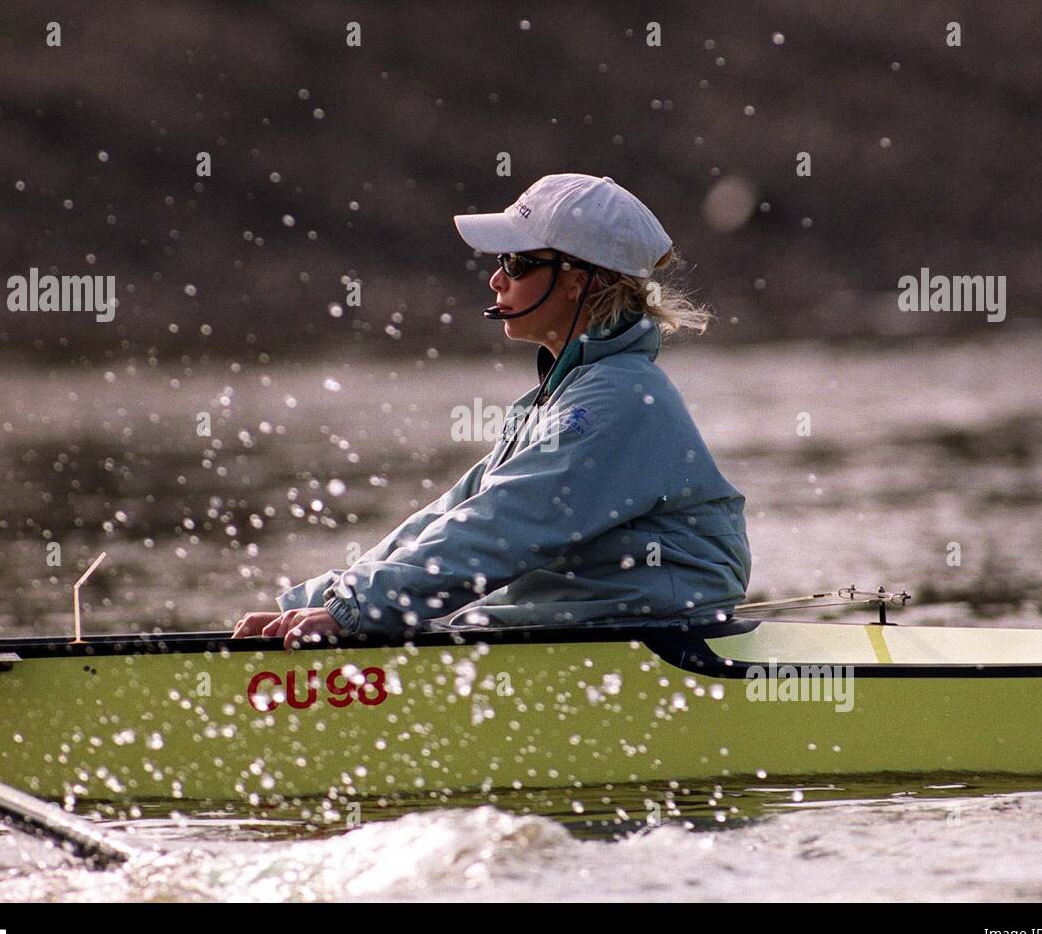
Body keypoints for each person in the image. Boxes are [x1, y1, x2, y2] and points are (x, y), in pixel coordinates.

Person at [234, 173, 750, 644]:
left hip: (664, 637)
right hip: (600, 625)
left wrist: (356, 608)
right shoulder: (565, 394)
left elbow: (497, 529)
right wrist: (326, 600)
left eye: (517, 262)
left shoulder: (616, 401)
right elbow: (452, 516)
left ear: (579, 282)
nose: (496, 279)